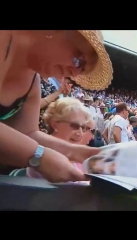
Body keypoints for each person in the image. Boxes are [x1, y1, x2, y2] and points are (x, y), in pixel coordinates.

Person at [0, 30, 113, 182]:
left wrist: (76, 152)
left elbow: (28, 134)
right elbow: (31, 144)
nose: (74, 72)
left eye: (81, 69)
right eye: (78, 59)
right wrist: (39, 156)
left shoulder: (33, 82)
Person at [27, 97, 92, 177]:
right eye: (74, 126)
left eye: (83, 128)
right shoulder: (42, 154)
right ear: (55, 125)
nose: (80, 133)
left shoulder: (80, 157)